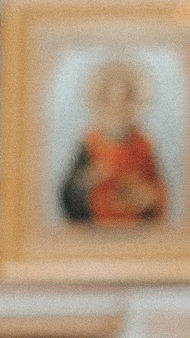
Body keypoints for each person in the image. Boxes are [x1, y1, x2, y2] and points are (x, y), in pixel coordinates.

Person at [59, 58, 168, 226]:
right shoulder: (90, 142)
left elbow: (158, 192)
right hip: (96, 228)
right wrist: (87, 179)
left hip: (135, 230)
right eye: (111, 100)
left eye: (123, 100)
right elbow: (69, 193)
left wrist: (147, 196)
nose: (117, 107)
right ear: (103, 102)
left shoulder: (142, 144)